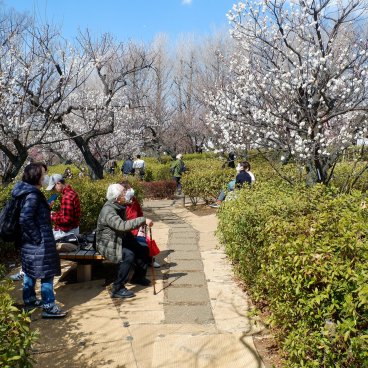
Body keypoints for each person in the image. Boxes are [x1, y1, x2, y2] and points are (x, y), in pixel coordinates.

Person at [11, 162, 67, 318]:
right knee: (46, 274)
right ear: (36, 176)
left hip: (28, 243)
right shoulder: (33, 194)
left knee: (30, 272)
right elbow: (25, 218)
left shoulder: (25, 192)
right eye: (43, 174)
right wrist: (38, 238)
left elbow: (30, 216)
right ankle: (49, 307)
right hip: (38, 242)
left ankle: (29, 301)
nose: (46, 177)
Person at [96, 184, 153, 299]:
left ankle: (137, 277)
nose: (126, 193)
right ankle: (117, 288)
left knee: (143, 248)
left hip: (119, 238)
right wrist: (142, 220)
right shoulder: (109, 210)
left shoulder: (119, 206)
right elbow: (121, 226)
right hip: (108, 243)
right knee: (128, 255)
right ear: (117, 197)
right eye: (123, 192)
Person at [121, 181, 161, 268]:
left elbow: (139, 212)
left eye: (129, 188)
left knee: (146, 241)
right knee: (141, 242)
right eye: (127, 189)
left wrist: (142, 224)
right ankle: (144, 261)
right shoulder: (120, 203)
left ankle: (150, 260)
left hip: (137, 226)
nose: (130, 190)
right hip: (127, 229)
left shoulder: (134, 200)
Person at [46, 174, 81, 241]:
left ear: (58, 183)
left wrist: (51, 217)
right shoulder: (71, 192)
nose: (54, 190)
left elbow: (66, 220)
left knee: (47, 239)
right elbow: (68, 214)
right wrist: (55, 214)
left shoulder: (67, 197)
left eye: (53, 187)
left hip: (68, 233)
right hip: (73, 229)